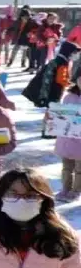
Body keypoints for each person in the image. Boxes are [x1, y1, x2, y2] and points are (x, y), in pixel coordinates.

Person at [55, 70, 81, 201]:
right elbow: (61, 115)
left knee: (79, 168)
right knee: (66, 167)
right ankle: (65, 188)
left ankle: (76, 190)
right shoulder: (69, 96)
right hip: (68, 138)